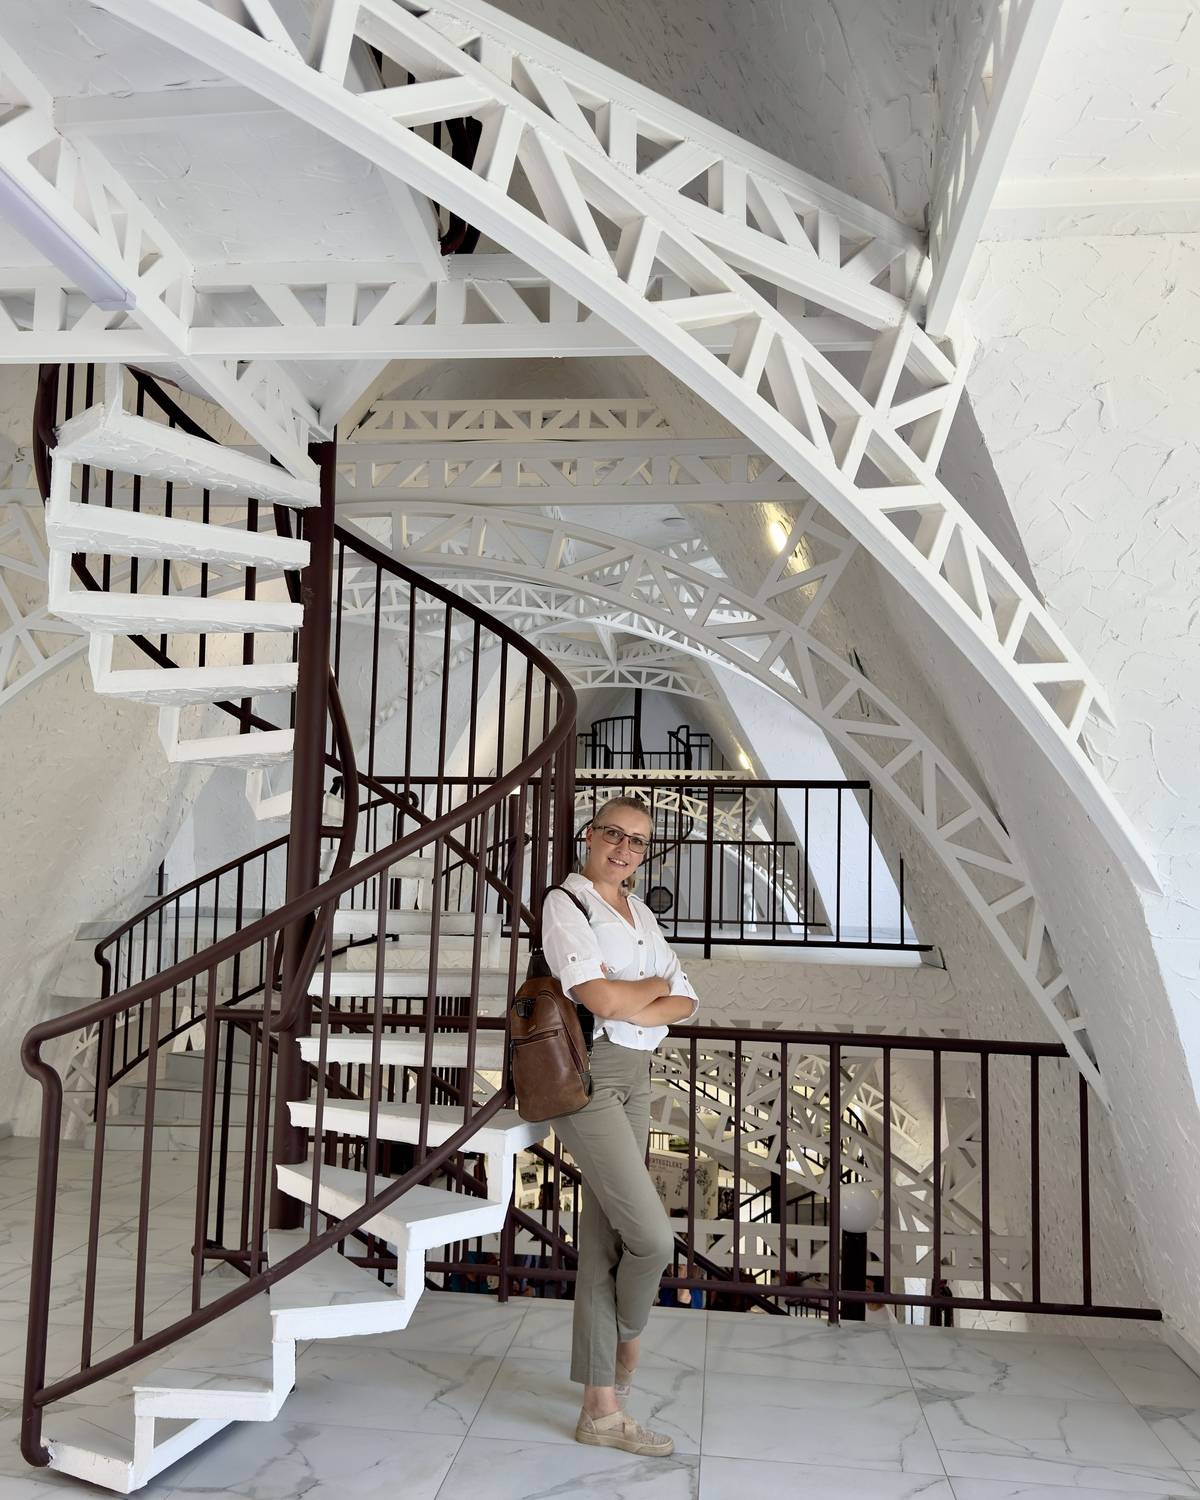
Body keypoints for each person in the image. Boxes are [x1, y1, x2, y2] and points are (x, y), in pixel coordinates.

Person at [542, 797, 699, 1459]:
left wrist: (636, 995)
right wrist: (646, 990)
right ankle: (627, 1340)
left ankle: (599, 1407)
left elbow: (687, 999)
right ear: (590, 835)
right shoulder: (567, 905)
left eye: (637, 841)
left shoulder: (641, 914)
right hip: (589, 1075)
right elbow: (598, 998)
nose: (625, 849)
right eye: (614, 834)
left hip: (637, 1075)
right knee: (652, 1239)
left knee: (605, 1237)